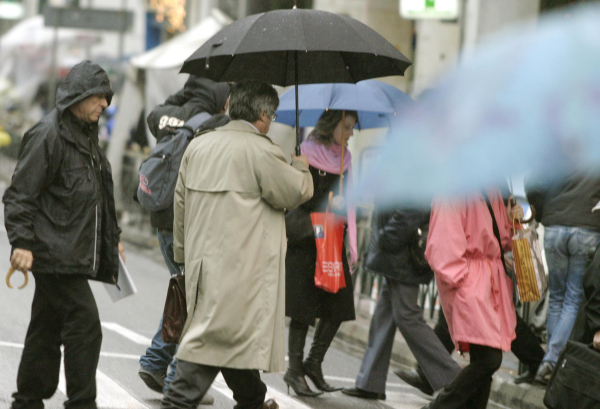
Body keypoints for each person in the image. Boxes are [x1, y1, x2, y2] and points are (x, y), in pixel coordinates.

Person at [160, 80, 313, 409]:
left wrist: (185, 258)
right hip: (243, 271)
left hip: (202, 267)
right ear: (262, 113)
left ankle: (254, 402)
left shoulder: (199, 146)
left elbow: (180, 205)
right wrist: (301, 165)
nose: (271, 122)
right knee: (209, 349)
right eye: (271, 116)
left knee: (229, 348)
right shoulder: (262, 150)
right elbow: (295, 190)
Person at [3, 60, 124, 409]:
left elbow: (98, 195)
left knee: (47, 325)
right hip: (52, 252)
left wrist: (111, 236)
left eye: (107, 98)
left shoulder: (86, 134)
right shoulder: (48, 135)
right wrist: (22, 242)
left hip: (68, 250)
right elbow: (20, 194)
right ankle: (82, 403)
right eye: (100, 97)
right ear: (79, 95)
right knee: (85, 325)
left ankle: (28, 399)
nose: (105, 104)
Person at [138, 76, 231, 399]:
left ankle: (156, 362)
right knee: (195, 300)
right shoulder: (217, 124)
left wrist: (184, 94)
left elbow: (154, 115)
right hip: (189, 223)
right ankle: (175, 376)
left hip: (161, 219)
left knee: (186, 294)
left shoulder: (166, 116)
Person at [341, 206, 461, 400]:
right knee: (386, 313)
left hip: (403, 251)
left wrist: (388, 237)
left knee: (407, 316)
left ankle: (455, 378)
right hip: (399, 250)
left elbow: (412, 208)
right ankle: (370, 382)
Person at [421, 188, 523, 409]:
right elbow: (443, 247)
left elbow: (503, 239)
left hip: (489, 284)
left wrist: (515, 219)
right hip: (472, 285)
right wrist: (463, 281)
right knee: (489, 359)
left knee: (483, 362)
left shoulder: (492, 191)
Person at [283, 109, 358, 396]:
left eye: (353, 128)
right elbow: (295, 194)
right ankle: (294, 371)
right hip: (306, 237)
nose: (351, 133)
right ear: (332, 126)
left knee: (339, 303)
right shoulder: (306, 152)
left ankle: (313, 362)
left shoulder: (346, 159)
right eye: (347, 127)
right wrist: (323, 197)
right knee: (303, 309)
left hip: (331, 238)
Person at [525, 171, 600, 384]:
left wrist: (542, 211)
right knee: (573, 299)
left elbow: (534, 181)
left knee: (557, 299)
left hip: (554, 225)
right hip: (587, 225)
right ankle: (551, 361)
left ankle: (549, 362)